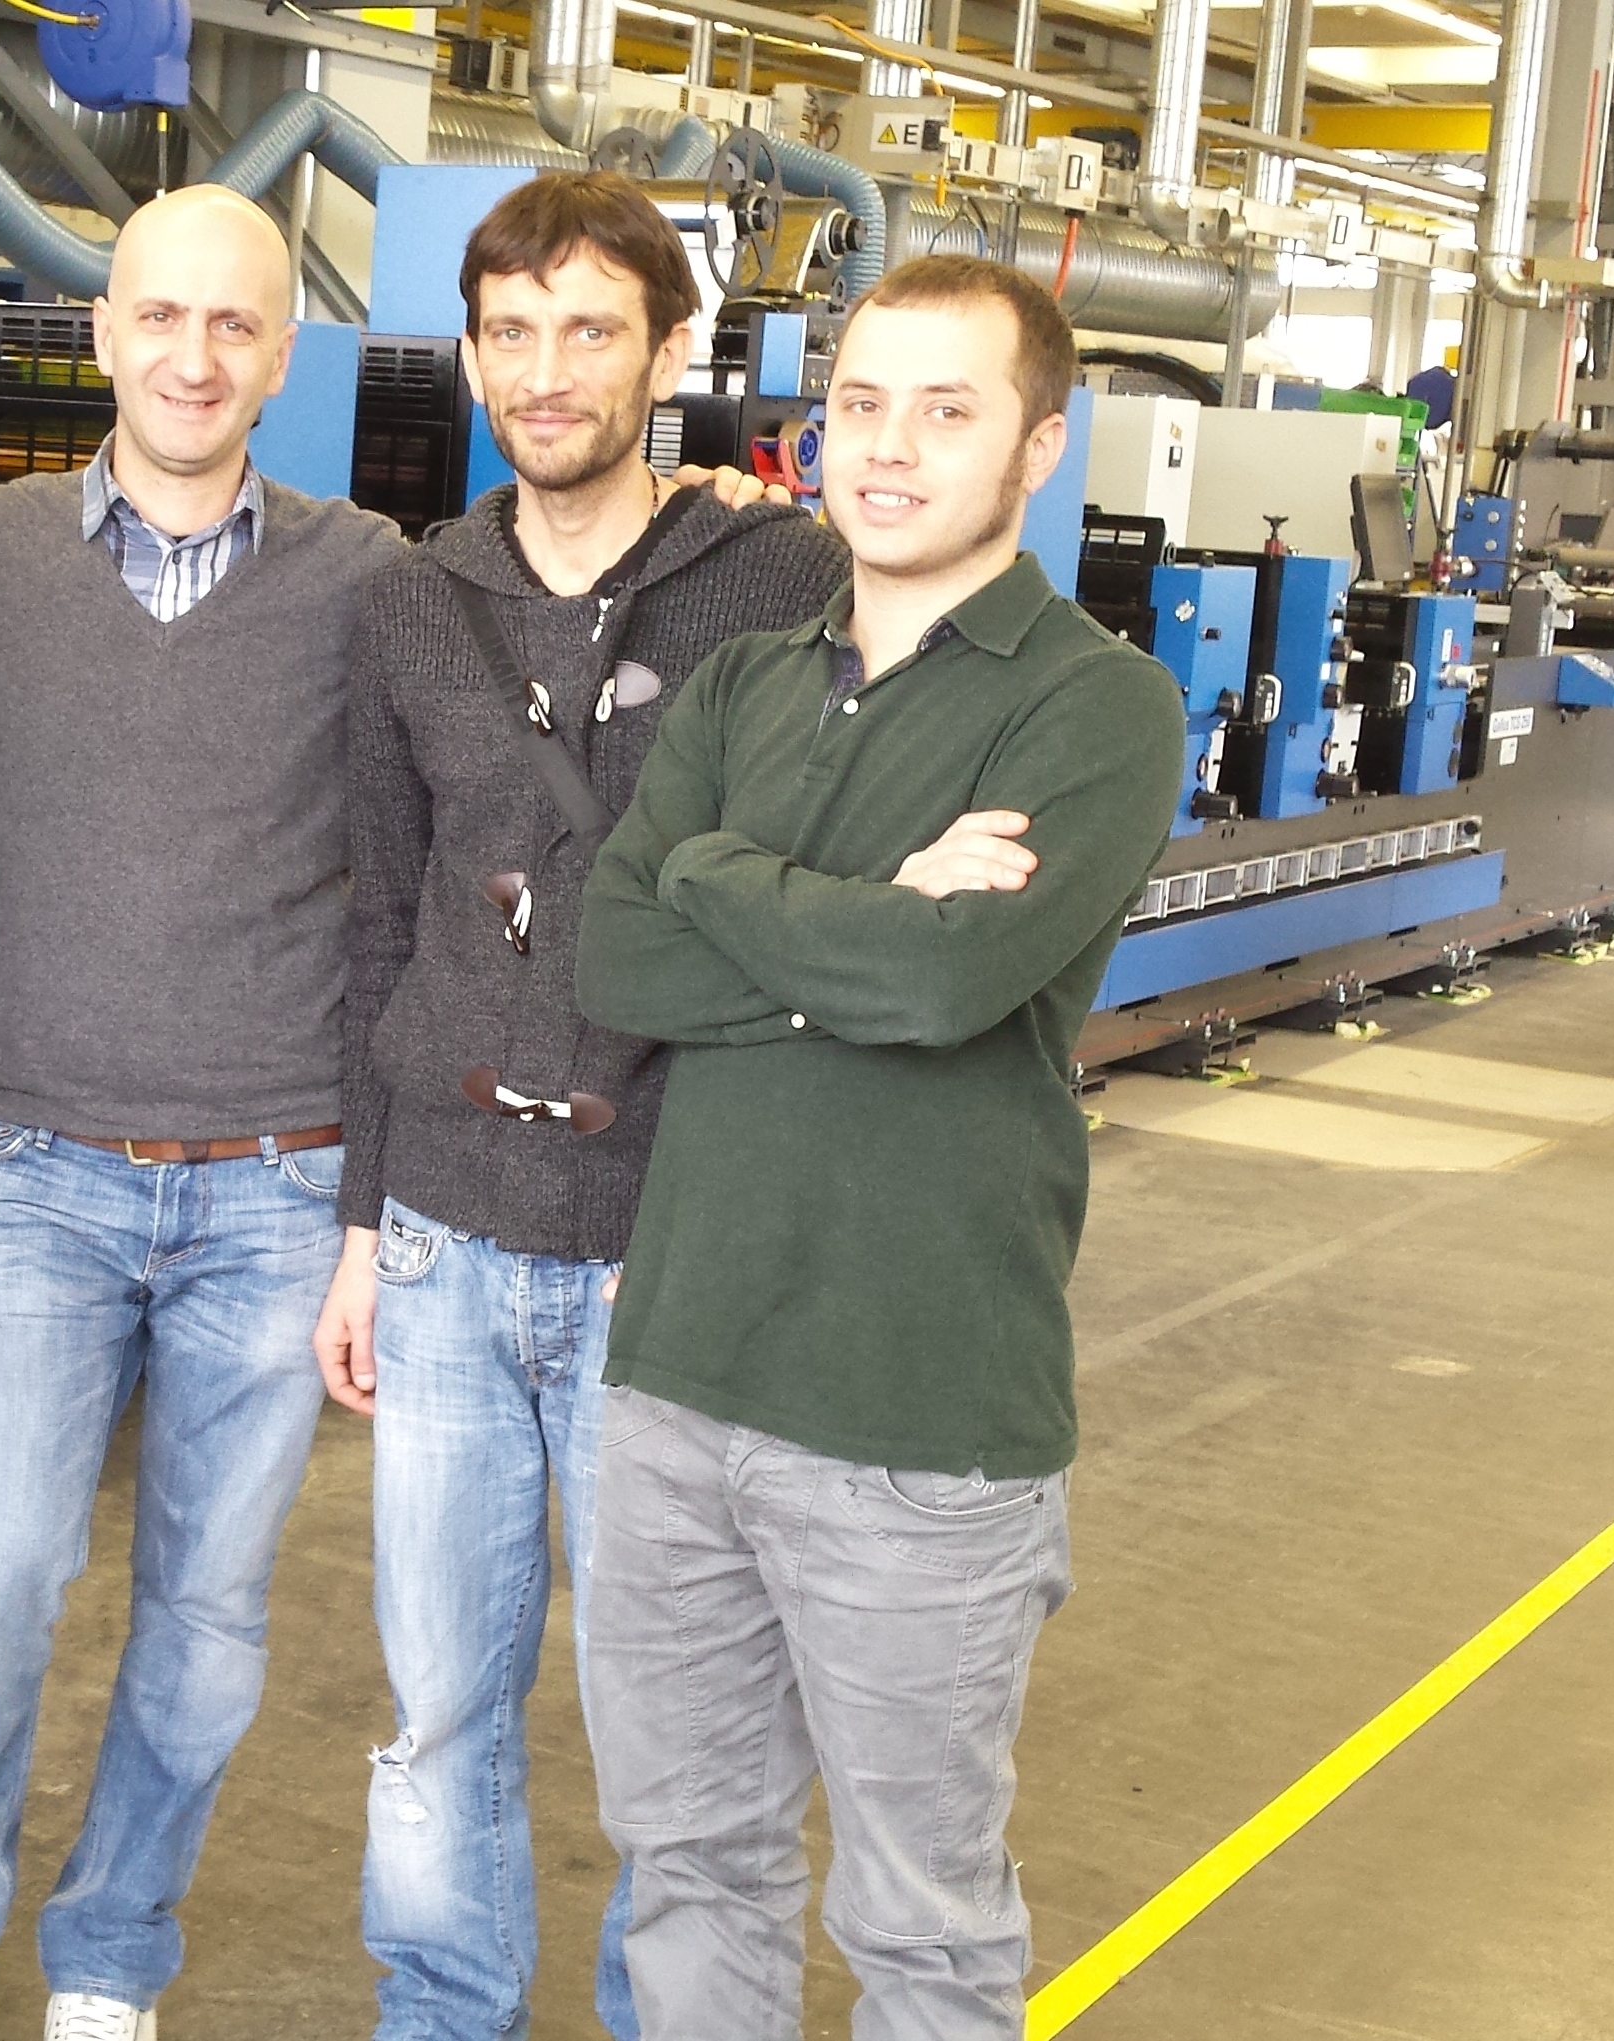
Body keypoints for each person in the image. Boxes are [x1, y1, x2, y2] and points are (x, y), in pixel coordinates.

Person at [571, 253, 1183, 2036]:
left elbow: (937, 986)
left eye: (944, 409)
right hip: (678, 1381)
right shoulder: (737, 682)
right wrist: (855, 915)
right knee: (687, 1867)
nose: (888, 448)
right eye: (858, 404)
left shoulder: (1094, 706)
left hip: (919, 1426)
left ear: (1036, 449)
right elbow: (615, 958)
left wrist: (722, 882)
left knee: (921, 1927)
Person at [0, 185, 410, 2041]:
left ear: (281, 356)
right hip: (39, 1174)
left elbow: (542, 685)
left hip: (278, 1181)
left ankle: (107, 1964)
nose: (191, 356)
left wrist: (733, 521)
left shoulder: (366, 580)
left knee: (206, 1620)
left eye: (232, 324)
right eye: (157, 316)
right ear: (97, 335)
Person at [312, 171, 847, 2041]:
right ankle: (439, 2014)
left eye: (591, 330)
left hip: (661, 1258)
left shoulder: (775, 579)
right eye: (512, 333)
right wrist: (362, 1226)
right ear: (472, 357)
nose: (547, 372)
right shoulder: (409, 602)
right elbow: (380, 922)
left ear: (668, 354)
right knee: (438, 1713)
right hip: (442, 1246)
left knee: (680, 1724)